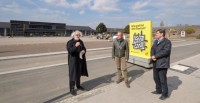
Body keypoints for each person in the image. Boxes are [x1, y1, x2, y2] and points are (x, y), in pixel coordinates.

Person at [151, 29, 172, 100]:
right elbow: (152, 49)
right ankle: (158, 90)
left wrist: (155, 56)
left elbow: (166, 51)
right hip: (155, 63)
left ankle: (165, 94)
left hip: (162, 64)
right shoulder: (156, 41)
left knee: (162, 80)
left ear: (162, 34)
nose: (155, 34)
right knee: (156, 78)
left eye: (157, 33)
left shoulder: (167, 42)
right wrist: (152, 56)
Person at [66, 30, 89, 96]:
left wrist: (84, 51)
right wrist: (75, 46)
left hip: (80, 60)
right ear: (73, 35)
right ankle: (72, 88)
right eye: (77, 35)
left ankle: (78, 86)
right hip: (73, 61)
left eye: (79, 35)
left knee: (78, 74)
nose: (78, 36)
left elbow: (84, 48)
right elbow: (70, 51)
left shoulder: (81, 41)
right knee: (72, 75)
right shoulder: (70, 42)